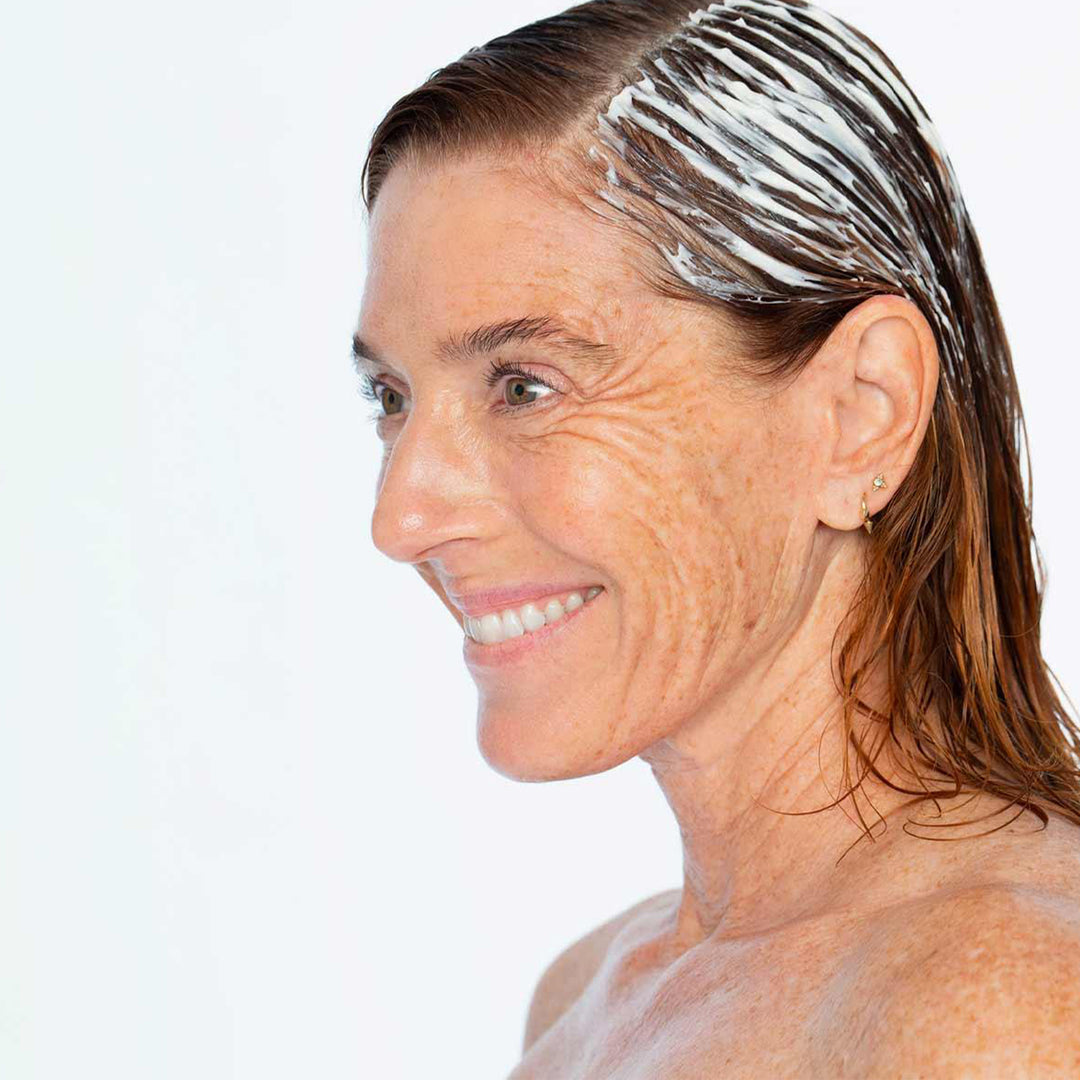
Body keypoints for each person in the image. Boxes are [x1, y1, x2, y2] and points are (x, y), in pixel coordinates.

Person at [353, 0, 1080, 1074]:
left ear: (859, 411)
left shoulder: (994, 1004)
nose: (402, 518)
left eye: (524, 385)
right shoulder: (589, 999)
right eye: (392, 395)